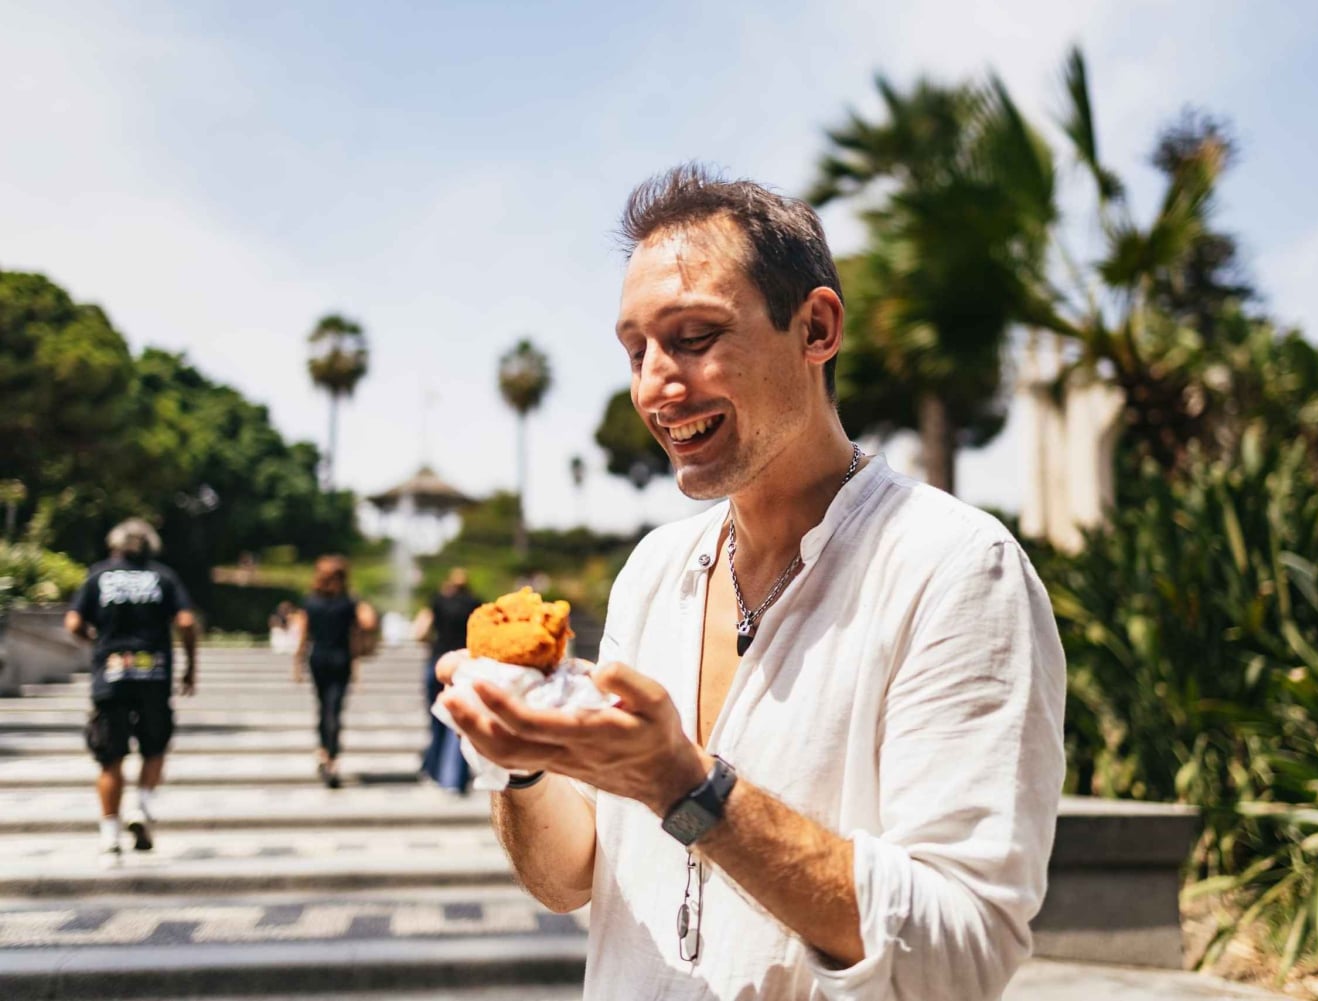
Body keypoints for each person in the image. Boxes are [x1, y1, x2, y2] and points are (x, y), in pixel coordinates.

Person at [437, 165, 1067, 999]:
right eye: (636, 349)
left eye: (694, 337)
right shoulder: (652, 574)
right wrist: (517, 763)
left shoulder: (954, 568)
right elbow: (570, 879)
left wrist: (687, 787)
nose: (655, 384)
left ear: (815, 328)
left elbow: (959, 951)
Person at [65, 518, 197, 867]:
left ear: (115, 544)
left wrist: (96, 643)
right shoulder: (163, 577)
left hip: (111, 674)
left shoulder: (99, 576)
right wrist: (190, 665)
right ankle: (142, 805)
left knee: (110, 757)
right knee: (155, 746)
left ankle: (109, 835)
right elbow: (185, 621)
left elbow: (73, 623)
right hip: (154, 675)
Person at [292, 555, 378, 789]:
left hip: (318, 658)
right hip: (341, 660)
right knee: (335, 708)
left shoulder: (311, 601)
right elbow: (368, 623)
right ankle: (332, 757)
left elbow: (303, 634)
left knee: (322, 707)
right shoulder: (348, 603)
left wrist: (297, 663)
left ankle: (323, 751)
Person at [411, 567, 481, 793]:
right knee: (460, 723)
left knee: (437, 719)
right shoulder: (475, 604)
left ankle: (432, 768)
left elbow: (420, 631)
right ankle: (452, 778)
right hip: (464, 665)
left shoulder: (438, 601)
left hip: (437, 662)